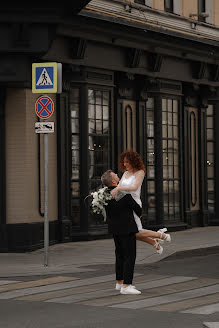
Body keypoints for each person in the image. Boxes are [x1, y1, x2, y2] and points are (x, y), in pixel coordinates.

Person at [111, 150, 171, 255]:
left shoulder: (140, 172)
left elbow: (134, 187)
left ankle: (161, 236)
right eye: (124, 162)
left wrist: (119, 188)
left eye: (127, 162)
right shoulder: (125, 173)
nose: (125, 164)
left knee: (135, 231)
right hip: (125, 204)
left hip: (134, 203)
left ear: (133, 161)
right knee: (132, 232)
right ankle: (155, 241)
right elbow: (119, 189)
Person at [101, 170, 142, 295]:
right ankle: (126, 285)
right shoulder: (123, 193)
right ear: (114, 181)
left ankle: (119, 282)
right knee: (130, 256)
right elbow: (137, 208)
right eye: (115, 175)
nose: (118, 176)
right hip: (127, 228)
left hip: (115, 229)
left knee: (119, 255)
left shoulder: (103, 194)